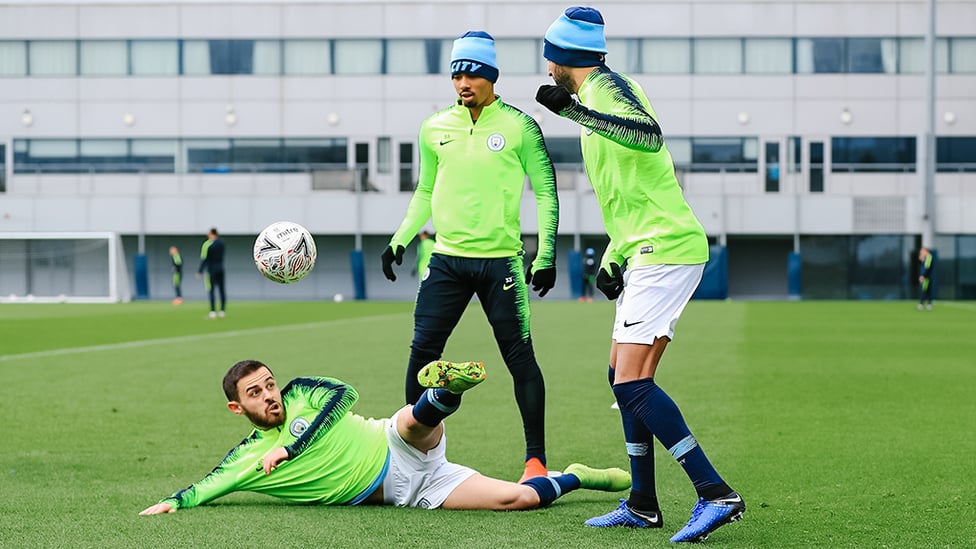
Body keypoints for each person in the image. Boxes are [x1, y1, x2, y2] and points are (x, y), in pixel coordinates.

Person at [535, 6, 744, 543]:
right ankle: (643, 504)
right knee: (623, 379)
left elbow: (648, 137)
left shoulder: (605, 89)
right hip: (650, 249)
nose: (545, 65)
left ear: (561, 58)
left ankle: (715, 492)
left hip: (666, 250)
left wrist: (575, 114)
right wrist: (612, 255)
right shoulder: (592, 99)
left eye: (548, 55)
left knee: (631, 382)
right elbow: (629, 193)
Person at [381, 30, 560, 483]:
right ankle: (414, 455)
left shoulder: (521, 126)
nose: (464, 81)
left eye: (473, 73)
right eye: (457, 73)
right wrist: (400, 238)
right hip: (446, 262)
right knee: (422, 354)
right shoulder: (434, 127)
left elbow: (546, 192)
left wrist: (546, 255)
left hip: (501, 263)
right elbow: (425, 190)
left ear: (492, 77)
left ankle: (535, 460)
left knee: (520, 357)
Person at [139, 359, 630, 515]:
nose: (270, 395)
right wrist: (173, 503)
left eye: (269, 383)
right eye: (256, 392)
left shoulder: (305, 394)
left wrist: (294, 445)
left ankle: (447, 391)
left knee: (412, 423)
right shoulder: (247, 457)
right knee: (517, 499)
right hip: (411, 491)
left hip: (391, 442)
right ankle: (578, 477)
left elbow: (343, 397)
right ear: (237, 407)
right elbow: (205, 486)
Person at [197, 228, 226, 319]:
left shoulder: (207, 244)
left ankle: (213, 311)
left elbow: (204, 258)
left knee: (211, 290)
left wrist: (200, 271)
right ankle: (222, 311)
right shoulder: (221, 244)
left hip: (211, 270)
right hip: (221, 269)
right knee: (221, 290)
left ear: (212, 234)